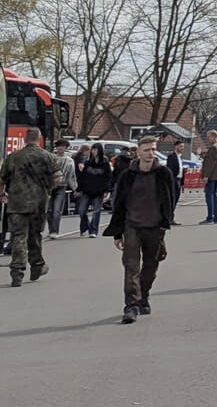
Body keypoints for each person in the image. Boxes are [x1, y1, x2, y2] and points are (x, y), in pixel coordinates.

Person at [104, 136, 178, 324]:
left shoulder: (163, 173)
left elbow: (171, 198)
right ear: (138, 152)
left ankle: (143, 294)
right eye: (146, 150)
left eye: (153, 149)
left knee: (151, 266)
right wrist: (117, 232)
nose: (150, 153)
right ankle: (131, 305)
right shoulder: (127, 176)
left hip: (155, 226)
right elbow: (119, 204)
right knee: (131, 267)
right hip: (132, 226)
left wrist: (166, 219)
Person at [0, 129, 60, 287]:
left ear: (25, 139)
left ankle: (17, 272)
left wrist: (2, 193)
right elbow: (58, 178)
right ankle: (37, 265)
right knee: (35, 235)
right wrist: (48, 190)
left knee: (18, 237)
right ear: (39, 138)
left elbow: (2, 179)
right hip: (38, 203)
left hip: (16, 203)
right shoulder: (48, 157)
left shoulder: (13, 157)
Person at [75, 144, 113, 237]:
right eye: (93, 150)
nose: (93, 152)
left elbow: (108, 178)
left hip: (99, 191)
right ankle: (86, 226)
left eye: (95, 150)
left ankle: (93, 231)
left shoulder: (104, 163)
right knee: (82, 210)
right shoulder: (88, 163)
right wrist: (78, 189)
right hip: (86, 190)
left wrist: (106, 190)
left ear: (99, 151)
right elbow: (82, 177)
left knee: (96, 211)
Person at [46, 138, 78, 238]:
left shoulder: (69, 161)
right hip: (50, 186)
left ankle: (54, 231)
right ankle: (51, 228)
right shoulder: (51, 158)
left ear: (66, 148)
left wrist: (75, 188)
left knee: (56, 210)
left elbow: (71, 176)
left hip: (61, 187)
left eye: (63, 146)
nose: (60, 148)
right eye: (59, 146)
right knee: (48, 210)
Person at [198, 130, 217, 225]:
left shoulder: (214, 147)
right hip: (216, 175)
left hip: (211, 176)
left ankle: (210, 217)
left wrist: (206, 176)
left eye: (208, 137)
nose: (207, 138)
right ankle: (216, 217)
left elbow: (210, 163)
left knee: (209, 196)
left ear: (214, 136)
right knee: (214, 196)